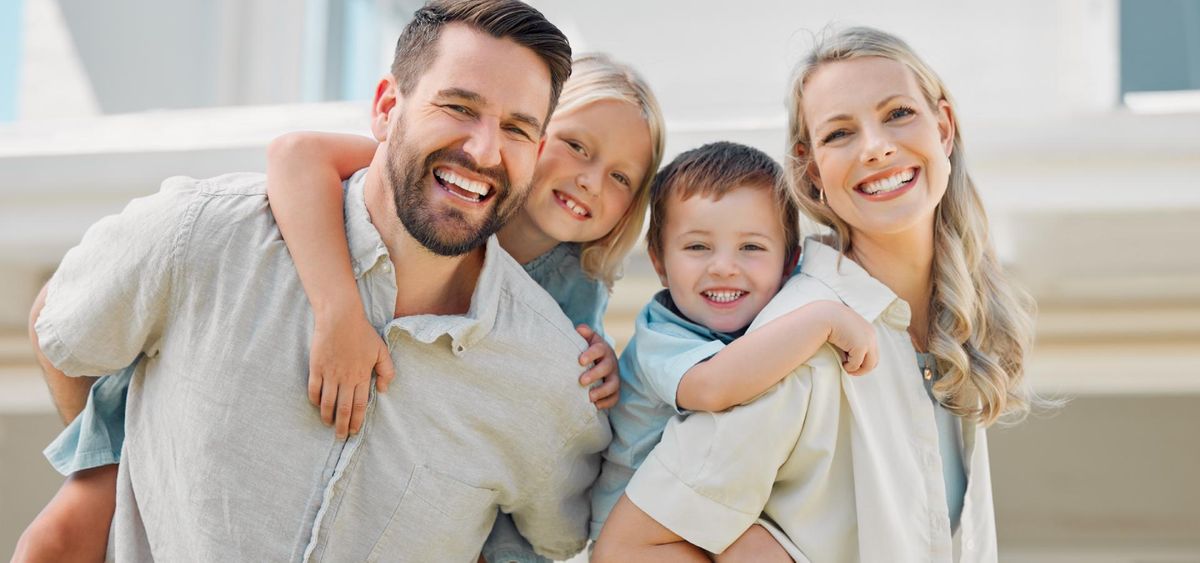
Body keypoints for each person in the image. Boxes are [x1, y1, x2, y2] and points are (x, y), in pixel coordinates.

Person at [17, 1, 612, 561]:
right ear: (386, 108)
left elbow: (555, 539)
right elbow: (61, 326)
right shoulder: (203, 239)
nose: (484, 149)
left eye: (516, 128)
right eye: (458, 107)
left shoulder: (549, 373)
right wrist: (109, 474)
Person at [594, 27, 1038, 562]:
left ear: (943, 127)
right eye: (840, 133)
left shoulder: (952, 325)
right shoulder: (800, 347)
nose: (876, 148)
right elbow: (628, 548)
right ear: (811, 168)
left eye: (897, 113)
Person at [588, 141, 879, 561]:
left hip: (709, 514)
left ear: (788, 264)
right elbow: (711, 387)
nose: (723, 266)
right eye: (697, 247)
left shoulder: (771, 317)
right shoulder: (661, 334)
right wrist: (824, 320)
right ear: (658, 262)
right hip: (642, 533)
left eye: (751, 247)